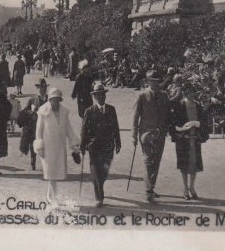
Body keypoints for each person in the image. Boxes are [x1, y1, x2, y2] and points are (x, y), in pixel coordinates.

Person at [34, 87, 80, 207]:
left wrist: (74, 144)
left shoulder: (64, 112)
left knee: (53, 174)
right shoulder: (43, 112)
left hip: (59, 147)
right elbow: (38, 131)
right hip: (48, 147)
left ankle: (49, 196)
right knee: (51, 173)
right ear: (49, 99)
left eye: (57, 99)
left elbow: (69, 129)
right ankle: (53, 198)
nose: (55, 102)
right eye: (53, 99)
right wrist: (39, 146)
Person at [80, 82, 122, 207]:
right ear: (94, 97)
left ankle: (100, 185)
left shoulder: (111, 110)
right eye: (97, 95)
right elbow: (83, 130)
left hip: (108, 146)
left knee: (104, 171)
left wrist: (118, 142)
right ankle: (99, 197)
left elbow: (116, 127)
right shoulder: (89, 111)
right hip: (94, 147)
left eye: (102, 95)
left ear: (105, 96)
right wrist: (82, 146)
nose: (100, 97)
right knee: (96, 171)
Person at [131, 69, 171, 201]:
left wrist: (166, 130)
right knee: (148, 160)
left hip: (160, 133)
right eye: (152, 81)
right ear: (147, 82)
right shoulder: (142, 96)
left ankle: (151, 186)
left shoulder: (164, 96)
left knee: (156, 160)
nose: (155, 84)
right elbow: (135, 116)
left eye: (157, 81)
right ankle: (148, 190)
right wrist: (133, 134)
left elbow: (167, 115)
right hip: (146, 134)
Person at [170, 83, 210, 200]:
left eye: (192, 92)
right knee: (184, 165)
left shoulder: (198, 106)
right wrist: (182, 128)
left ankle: (192, 187)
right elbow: (174, 125)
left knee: (194, 165)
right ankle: (185, 188)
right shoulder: (179, 105)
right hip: (183, 139)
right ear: (184, 93)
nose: (191, 94)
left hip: (195, 139)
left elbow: (204, 121)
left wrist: (199, 124)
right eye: (188, 92)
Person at [16, 98, 40, 171]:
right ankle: (33, 162)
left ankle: (33, 162)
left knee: (33, 147)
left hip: (35, 131)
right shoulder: (27, 111)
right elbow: (20, 117)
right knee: (31, 147)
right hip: (29, 132)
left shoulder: (40, 111)